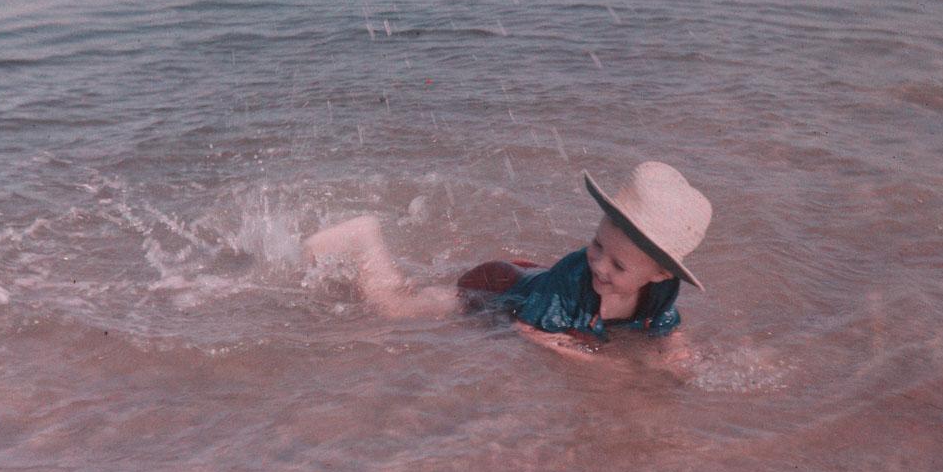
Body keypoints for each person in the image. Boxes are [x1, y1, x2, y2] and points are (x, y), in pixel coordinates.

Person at [302, 161, 712, 365]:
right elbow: (529, 329)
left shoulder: (660, 294)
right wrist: (591, 362)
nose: (599, 265)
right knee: (393, 307)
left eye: (619, 266)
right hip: (498, 288)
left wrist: (678, 355)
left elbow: (665, 328)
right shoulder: (573, 278)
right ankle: (366, 237)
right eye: (596, 245)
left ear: (660, 274)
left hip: (529, 277)